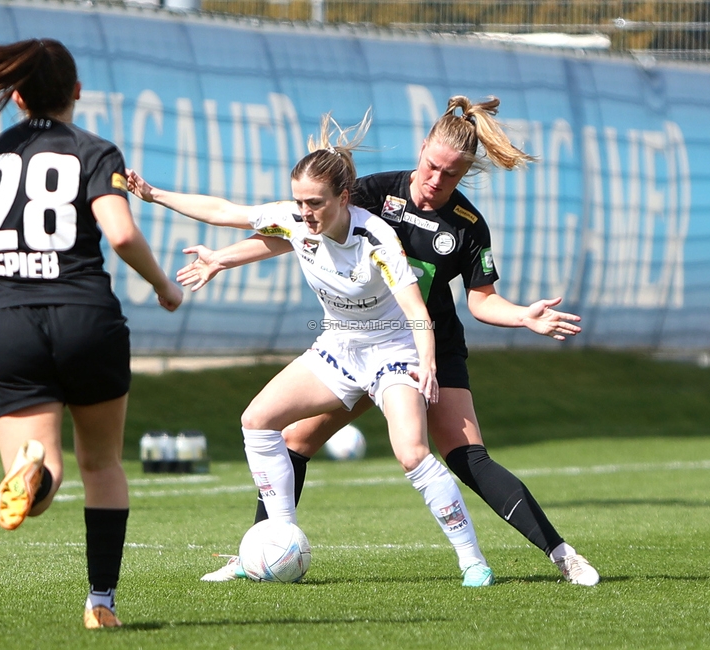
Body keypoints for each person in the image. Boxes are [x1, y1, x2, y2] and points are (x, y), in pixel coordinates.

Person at [177, 96, 599, 586]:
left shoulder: (466, 226)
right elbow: (297, 231)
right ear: (422, 149)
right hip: (359, 344)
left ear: (465, 174)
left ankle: (561, 554)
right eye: (432, 165)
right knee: (294, 440)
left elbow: (482, 301)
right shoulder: (374, 193)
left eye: (452, 174)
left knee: (465, 456)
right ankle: (263, 552)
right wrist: (223, 259)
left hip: (429, 346)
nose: (436, 180)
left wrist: (524, 318)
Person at [127, 112, 497, 587]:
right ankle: (275, 541)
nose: (305, 213)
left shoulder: (376, 237)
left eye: (315, 203)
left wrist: (427, 362)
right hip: (340, 347)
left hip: (392, 350)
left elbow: (415, 309)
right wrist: (154, 195)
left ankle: (472, 560)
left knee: (411, 452)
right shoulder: (297, 217)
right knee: (257, 420)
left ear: (345, 198)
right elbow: (225, 211)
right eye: (299, 201)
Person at [0, 39, 183, 629]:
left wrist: (12, 264)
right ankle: (101, 603)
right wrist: (165, 286)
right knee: (103, 463)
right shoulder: (94, 150)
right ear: (77, 91)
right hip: (86, 316)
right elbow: (123, 236)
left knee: (43, 483)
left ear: (14, 94)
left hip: (9, 322)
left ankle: (32, 468)